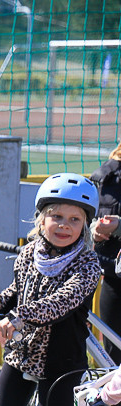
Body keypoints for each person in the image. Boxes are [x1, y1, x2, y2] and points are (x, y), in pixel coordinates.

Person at [0, 173, 102, 406]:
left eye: (74, 219)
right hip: (21, 354)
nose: (64, 225)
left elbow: (60, 302)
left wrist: (17, 319)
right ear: (41, 219)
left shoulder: (88, 264)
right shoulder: (29, 253)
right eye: (56, 216)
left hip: (61, 360)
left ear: (85, 225)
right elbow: (16, 291)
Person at [90, 143, 121, 362]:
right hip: (113, 274)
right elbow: (87, 215)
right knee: (112, 355)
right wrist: (94, 229)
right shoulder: (107, 174)